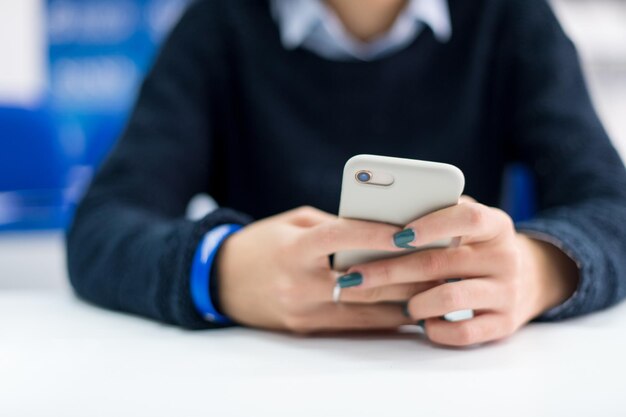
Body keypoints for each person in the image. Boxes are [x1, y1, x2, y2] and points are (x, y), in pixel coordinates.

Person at [67, 0, 626, 347]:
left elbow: (612, 206)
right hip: (265, 377)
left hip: (450, 373)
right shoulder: (217, 24)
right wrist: (221, 271)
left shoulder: (510, 17)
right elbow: (100, 226)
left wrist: (537, 270)